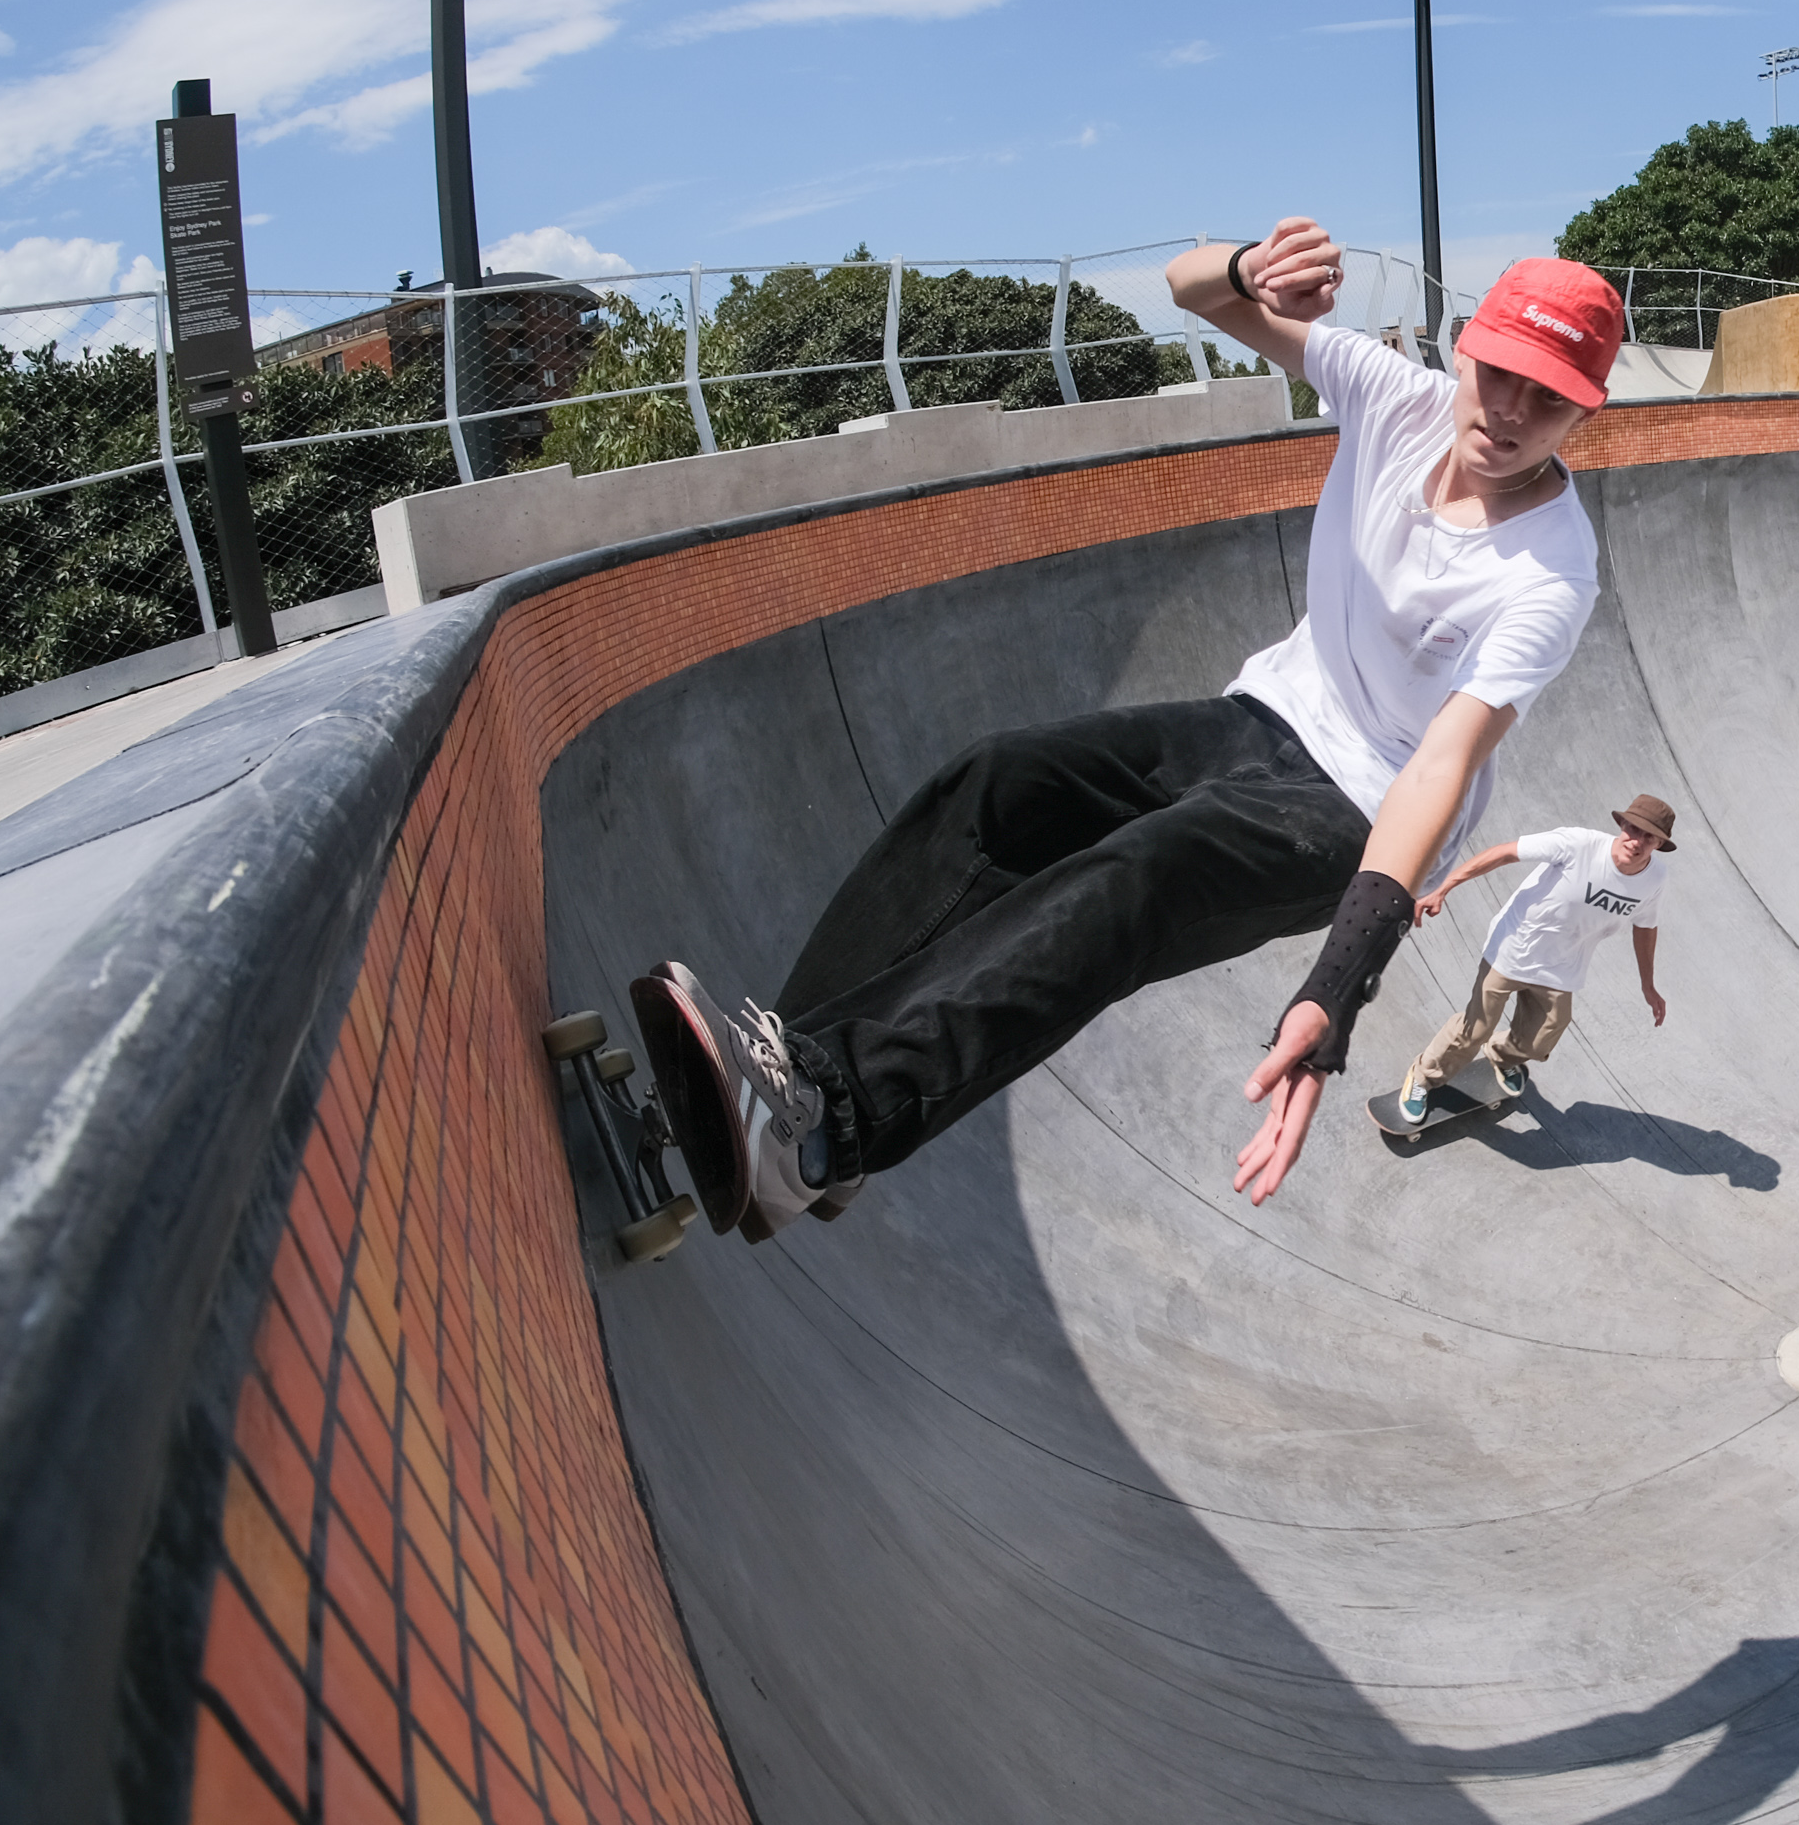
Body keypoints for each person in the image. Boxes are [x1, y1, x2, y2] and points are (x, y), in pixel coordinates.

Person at [631, 215, 1625, 1238]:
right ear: (1466, 348)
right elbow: (1192, 289)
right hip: (1265, 716)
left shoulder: (1551, 575)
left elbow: (1444, 766)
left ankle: (824, 1126)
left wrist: (1343, 975)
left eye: (1547, 400)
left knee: (1137, 877)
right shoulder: (1396, 398)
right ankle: (790, 1072)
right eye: (1498, 373)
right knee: (997, 786)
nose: (1508, 412)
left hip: (1361, 811)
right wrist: (1249, 269)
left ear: (1578, 417)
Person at [1394, 793, 1679, 1125]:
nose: (1638, 841)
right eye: (1634, 830)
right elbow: (1503, 854)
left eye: (1649, 837)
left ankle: (1502, 1057)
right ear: (1622, 824)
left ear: (1659, 843)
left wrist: (1648, 984)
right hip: (1515, 947)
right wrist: (1444, 886)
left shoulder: (1654, 879)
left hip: (1562, 966)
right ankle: (1423, 1077)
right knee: (1476, 1028)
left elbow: (1646, 926)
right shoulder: (1578, 844)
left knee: (1545, 1033)